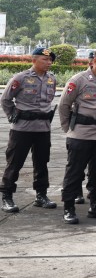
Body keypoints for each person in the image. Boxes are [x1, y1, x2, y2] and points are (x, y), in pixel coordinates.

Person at [58, 44, 96, 224]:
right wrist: (69, 130)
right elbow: (63, 106)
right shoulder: (79, 80)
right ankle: (69, 207)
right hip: (81, 135)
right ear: (94, 61)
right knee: (74, 173)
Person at [1, 47, 59, 213]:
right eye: (45, 59)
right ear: (34, 60)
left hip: (43, 128)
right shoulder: (21, 78)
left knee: (42, 163)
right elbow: (5, 99)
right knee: (15, 163)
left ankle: (41, 195)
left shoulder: (51, 79)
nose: (49, 62)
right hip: (22, 128)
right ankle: (7, 197)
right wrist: (13, 116)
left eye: (50, 60)